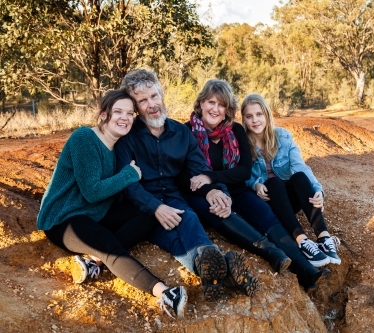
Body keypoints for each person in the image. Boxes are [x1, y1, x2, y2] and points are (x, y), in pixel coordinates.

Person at [37, 89, 187, 318]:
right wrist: (129, 174)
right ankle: (166, 294)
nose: (124, 118)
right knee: (107, 242)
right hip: (64, 219)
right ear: (103, 114)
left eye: (130, 113)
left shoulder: (118, 146)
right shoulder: (84, 139)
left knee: (148, 213)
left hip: (94, 212)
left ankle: (92, 262)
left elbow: (112, 193)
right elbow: (91, 192)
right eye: (118, 111)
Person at [115, 69, 257, 301]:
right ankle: (227, 272)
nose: (151, 104)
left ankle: (212, 266)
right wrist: (156, 208)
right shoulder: (127, 138)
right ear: (135, 107)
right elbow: (128, 185)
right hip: (141, 208)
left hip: (174, 199)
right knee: (172, 237)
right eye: (142, 100)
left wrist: (215, 190)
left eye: (154, 96)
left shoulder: (181, 133)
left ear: (161, 95)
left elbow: (199, 168)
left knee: (188, 218)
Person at [184, 79, 330, 291]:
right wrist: (210, 186)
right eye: (211, 102)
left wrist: (211, 177)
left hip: (238, 190)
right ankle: (274, 255)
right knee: (225, 213)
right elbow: (187, 174)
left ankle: (306, 270)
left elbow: (243, 170)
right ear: (201, 104)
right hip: (206, 194)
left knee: (266, 216)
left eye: (221, 104)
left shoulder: (235, 130)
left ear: (228, 109)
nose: (215, 109)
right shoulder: (186, 131)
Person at [241, 93, 342, 267]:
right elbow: (241, 174)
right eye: (249, 116)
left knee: (300, 177)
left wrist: (318, 190)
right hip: (268, 202)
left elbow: (300, 166)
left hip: (287, 201)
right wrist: (255, 184)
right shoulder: (242, 142)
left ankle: (324, 237)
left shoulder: (283, 136)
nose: (255, 120)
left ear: (267, 114)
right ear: (243, 119)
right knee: (273, 182)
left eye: (259, 114)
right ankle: (302, 241)